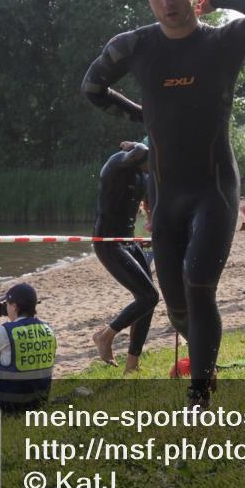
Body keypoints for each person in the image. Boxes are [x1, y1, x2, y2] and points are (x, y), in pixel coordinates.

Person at [81, 0, 245, 407]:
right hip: (167, 196)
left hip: (213, 190)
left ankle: (200, 389)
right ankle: (204, 360)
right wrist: (143, 116)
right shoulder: (135, 45)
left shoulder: (222, 42)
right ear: (148, 1)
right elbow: (92, 89)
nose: (167, 0)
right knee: (174, 305)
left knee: (198, 282)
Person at [91, 143, 159, 373]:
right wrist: (139, 146)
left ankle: (132, 364)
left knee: (147, 300)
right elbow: (140, 150)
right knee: (149, 296)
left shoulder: (143, 174)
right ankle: (105, 336)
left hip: (129, 241)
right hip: (108, 242)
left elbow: (151, 205)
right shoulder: (117, 163)